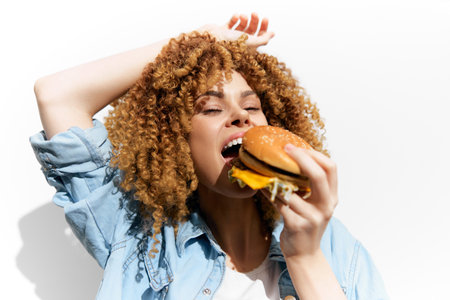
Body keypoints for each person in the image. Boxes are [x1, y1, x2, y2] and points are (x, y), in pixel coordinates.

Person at [30, 13, 389, 300]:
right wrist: (198, 40)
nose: (241, 116)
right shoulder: (137, 234)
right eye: (211, 108)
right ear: (174, 140)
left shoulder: (331, 244)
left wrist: (304, 257)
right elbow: (58, 96)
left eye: (252, 106)